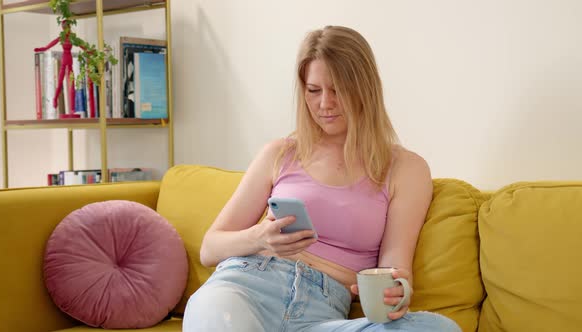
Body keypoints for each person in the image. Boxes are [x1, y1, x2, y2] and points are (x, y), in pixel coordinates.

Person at [182, 25, 461, 332]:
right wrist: (260, 237)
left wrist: (395, 292)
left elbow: (394, 268)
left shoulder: (406, 169)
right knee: (219, 315)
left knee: (438, 329)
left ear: (364, 88)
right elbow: (210, 248)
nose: (325, 104)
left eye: (338, 90)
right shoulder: (280, 153)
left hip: (322, 314)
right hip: (245, 287)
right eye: (314, 91)